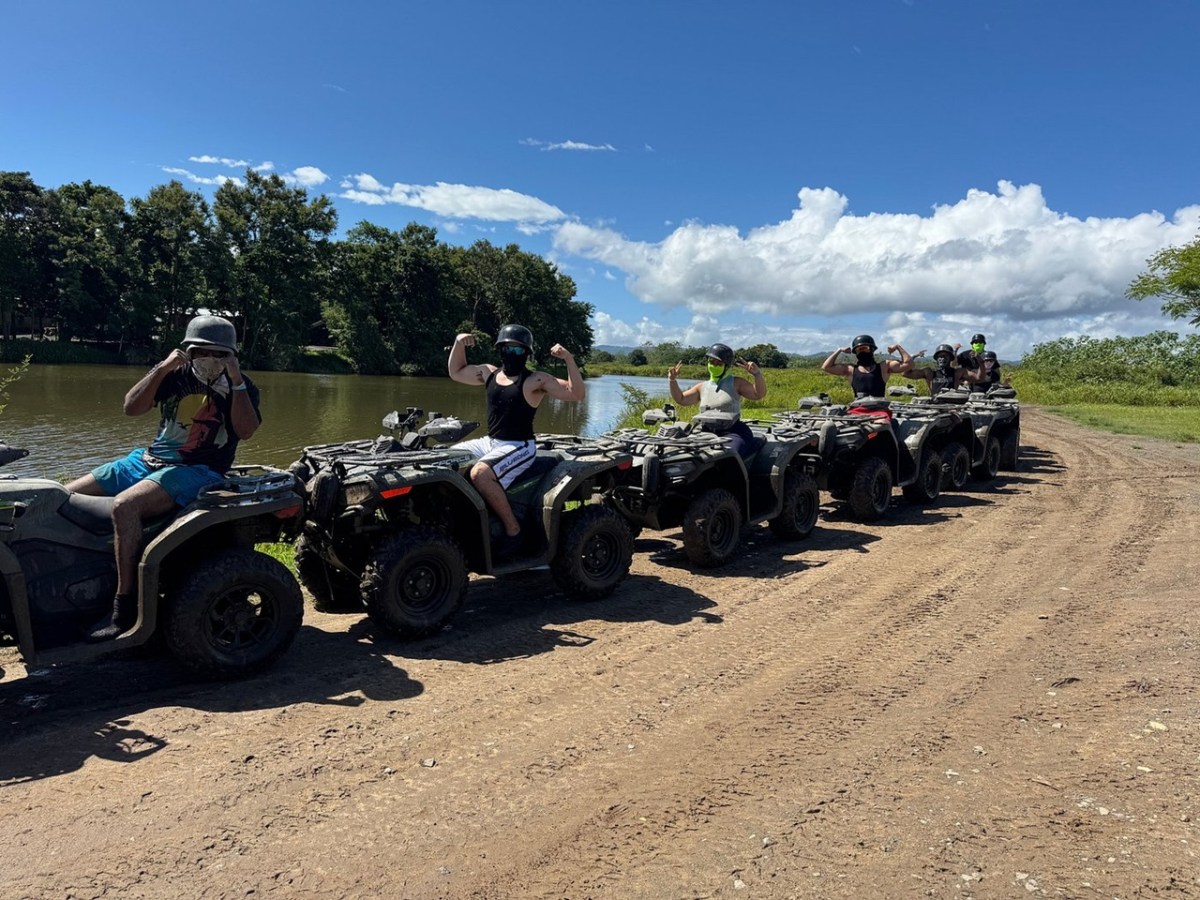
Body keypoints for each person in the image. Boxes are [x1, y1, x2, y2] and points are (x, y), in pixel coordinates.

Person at [68, 315, 262, 641]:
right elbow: (131, 408)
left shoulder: (241, 386)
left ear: (230, 355)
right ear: (189, 351)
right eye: (202, 352)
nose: (210, 360)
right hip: (145, 460)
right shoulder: (175, 376)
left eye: (219, 354)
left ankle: (124, 606)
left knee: (125, 507)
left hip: (198, 470)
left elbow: (246, 431)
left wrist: (235, 380)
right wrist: (162, 368)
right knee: (60, 497)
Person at [447, 325, 585, 556]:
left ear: (527, 354)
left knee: (480, 474)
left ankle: (513, 530)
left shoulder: (535, 380)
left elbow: (576, 394)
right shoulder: (488, 372)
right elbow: (456, 371)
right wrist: (459, 342)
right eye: (507, 348)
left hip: (519, 445)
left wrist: (569, 359)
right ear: (500, 350)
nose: (512, 354)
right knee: (446, 459)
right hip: (489, 441)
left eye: (519, 350)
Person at [666, 343, 766, 457]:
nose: (714, 365)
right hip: (706, 431)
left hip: (733, 431)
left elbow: (758, 394)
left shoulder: (737, 383)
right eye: (711, 362)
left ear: (726, 365)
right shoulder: (702, 386)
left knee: (727, 455)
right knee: (687, 454)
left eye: (719, 363)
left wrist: (757, 374)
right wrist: (672, 381)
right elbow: (681, 399)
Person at [821, 335, 912, 398]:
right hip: (858, 409)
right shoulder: (850, 370)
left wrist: (898, 347)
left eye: (865, 348)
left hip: (879, 409)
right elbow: (826, 367)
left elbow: (908, 364)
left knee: (882, 423)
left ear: (872, 349)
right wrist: (839, 350)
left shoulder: (884, 367)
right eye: (859, 350)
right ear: (855, 352)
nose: (862, 352)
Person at [906, 343, 983, 397]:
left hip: (952, 404)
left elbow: (979, 378)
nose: (942, 359)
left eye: (945, 356)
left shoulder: (958, 372)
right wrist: (914, 357)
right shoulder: (930, 372)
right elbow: (906, 373)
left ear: (950, 358)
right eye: (939, 357)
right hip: (934, 404)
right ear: (936, 359)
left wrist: (980, 361)